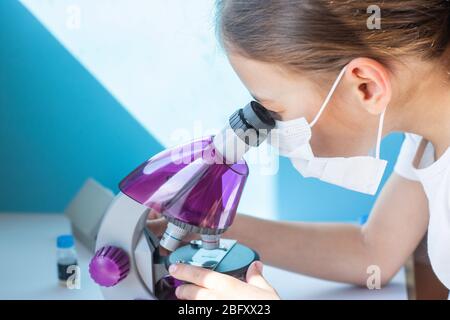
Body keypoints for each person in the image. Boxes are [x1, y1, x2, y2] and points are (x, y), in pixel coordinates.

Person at [149, 0, 450, 299]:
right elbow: (373, 253)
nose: (270, 131)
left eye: (273, 112)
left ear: (366, 87)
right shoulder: (426, 139)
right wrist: (206, 227)